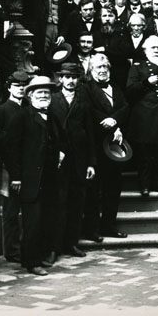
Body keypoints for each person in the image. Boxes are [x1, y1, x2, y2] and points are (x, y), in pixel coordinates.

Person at [5, 75, 61, 275]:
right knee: (32, 222)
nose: (44, 95)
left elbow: (57, 140)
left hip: (49, 179)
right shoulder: (22, 116)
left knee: (46, 219)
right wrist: (16, 176)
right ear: (30, 95)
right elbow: (11, 149)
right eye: (40, 92)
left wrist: (59, 153)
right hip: (29, 179)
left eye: (47, 92)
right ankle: (32, 262)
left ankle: (41, 255)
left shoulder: (52, 116)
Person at [49, 63, 96, 258]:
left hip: (79, 159)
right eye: (66, 77)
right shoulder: (52, 100)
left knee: (77, 203)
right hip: (58, 159)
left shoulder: (84, 102)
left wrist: (92, 163)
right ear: (60, 79)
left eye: (74, 77)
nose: (70, 81)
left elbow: (91, 134)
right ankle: (54, 247)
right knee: (58, 204)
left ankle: (71, 243)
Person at [82, 54, 129, 240]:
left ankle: (108, 226)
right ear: (91, 71)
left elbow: (125, 107)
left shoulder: (115, 86)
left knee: (113, 188)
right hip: (95, 145)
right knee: (94, 190)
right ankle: (91, 229)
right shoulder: (86, 89)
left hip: (114, 146)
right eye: (98, 68)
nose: (102, 71)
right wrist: (109, 121)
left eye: (105, 67)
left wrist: (116, 122)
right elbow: (89, 111)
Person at [0, 71, 30, 263]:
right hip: (10, 169)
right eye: (16, 86)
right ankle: (11, 251)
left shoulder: (29, 107)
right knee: (11, 212)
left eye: (23, 86)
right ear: (9, 87)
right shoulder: (3, 110)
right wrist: (12, 174)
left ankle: (24, 247)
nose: (20, 89)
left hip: (28, 167)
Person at [125, 36, 158, 196]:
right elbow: (130, 90)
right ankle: (145, 185)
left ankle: (157, 183)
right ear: (145, 51)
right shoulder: (138, 67)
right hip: (144, 116)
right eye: (153, 48)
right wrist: (147, 82)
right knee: (144, 154)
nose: (156, 51)